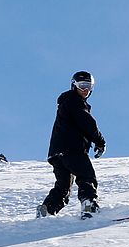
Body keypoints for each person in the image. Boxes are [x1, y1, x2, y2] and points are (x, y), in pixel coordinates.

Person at [37, 71, 106, 219]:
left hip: (57, 153)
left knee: (63, 187)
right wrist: (100, 141)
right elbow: (87, 123)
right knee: (86, 176)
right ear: (74, 85)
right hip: (73, 150)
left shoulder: (65, 103)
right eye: (82, 86)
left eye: (88, 86)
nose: (85, 90)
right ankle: (89, 206)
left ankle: (46, 210)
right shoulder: (74, 101)